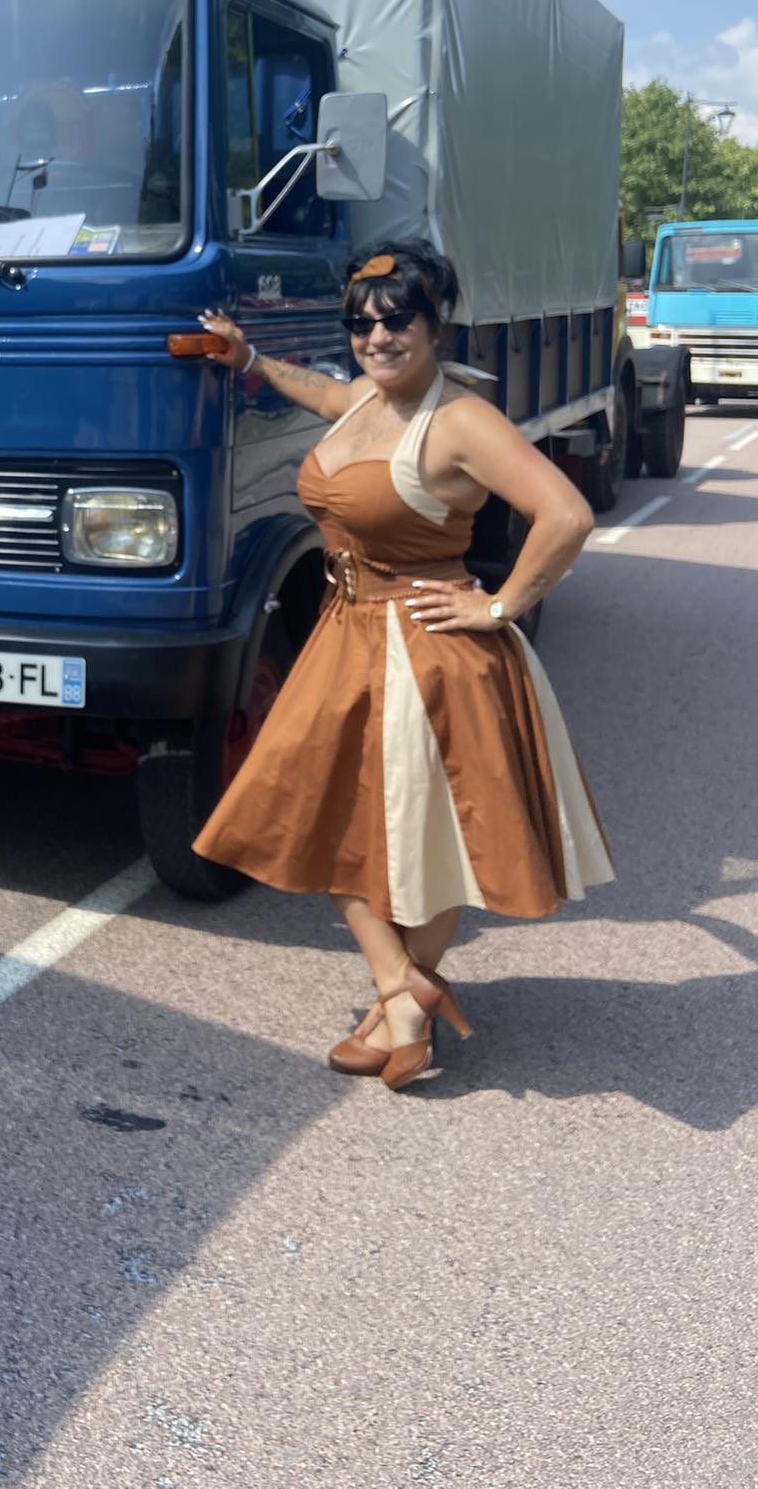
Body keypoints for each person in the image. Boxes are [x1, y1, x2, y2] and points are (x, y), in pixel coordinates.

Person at [194, 240, 613, 1091]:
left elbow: (566, 515)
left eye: (397, 321)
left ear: (435, 325)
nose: (377, 338)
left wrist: (498, 605)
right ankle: (403, 989)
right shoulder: (363, 397)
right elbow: (320, 393)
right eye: (361, 324)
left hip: (428, 652)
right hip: (346, 634)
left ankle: (401, 1005)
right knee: (322, 814)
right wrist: (252, 360)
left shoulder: (459, 422)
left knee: (438, 838)